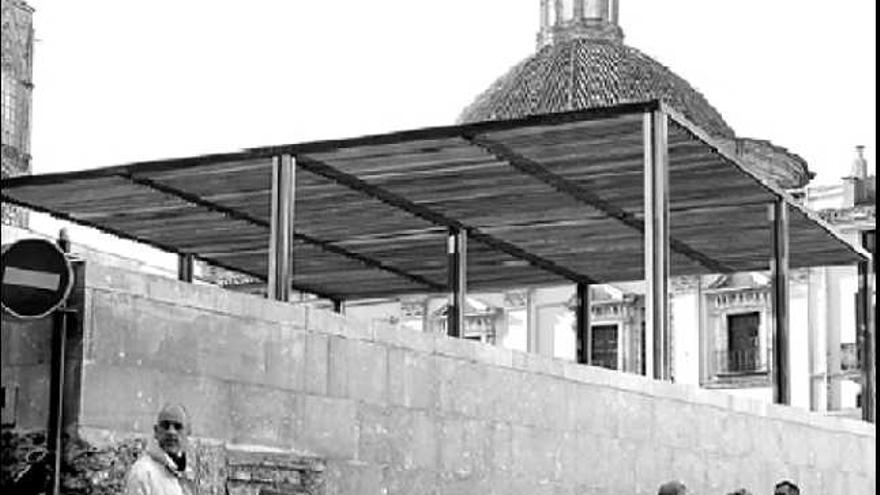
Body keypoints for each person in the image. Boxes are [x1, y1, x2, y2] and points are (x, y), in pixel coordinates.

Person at [124, 403, 196, 495]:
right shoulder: (143, 473)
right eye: (165, 426)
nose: (171, 432)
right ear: (156, 431)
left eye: (178, 427)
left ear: (188, 432)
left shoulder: (188, 474)